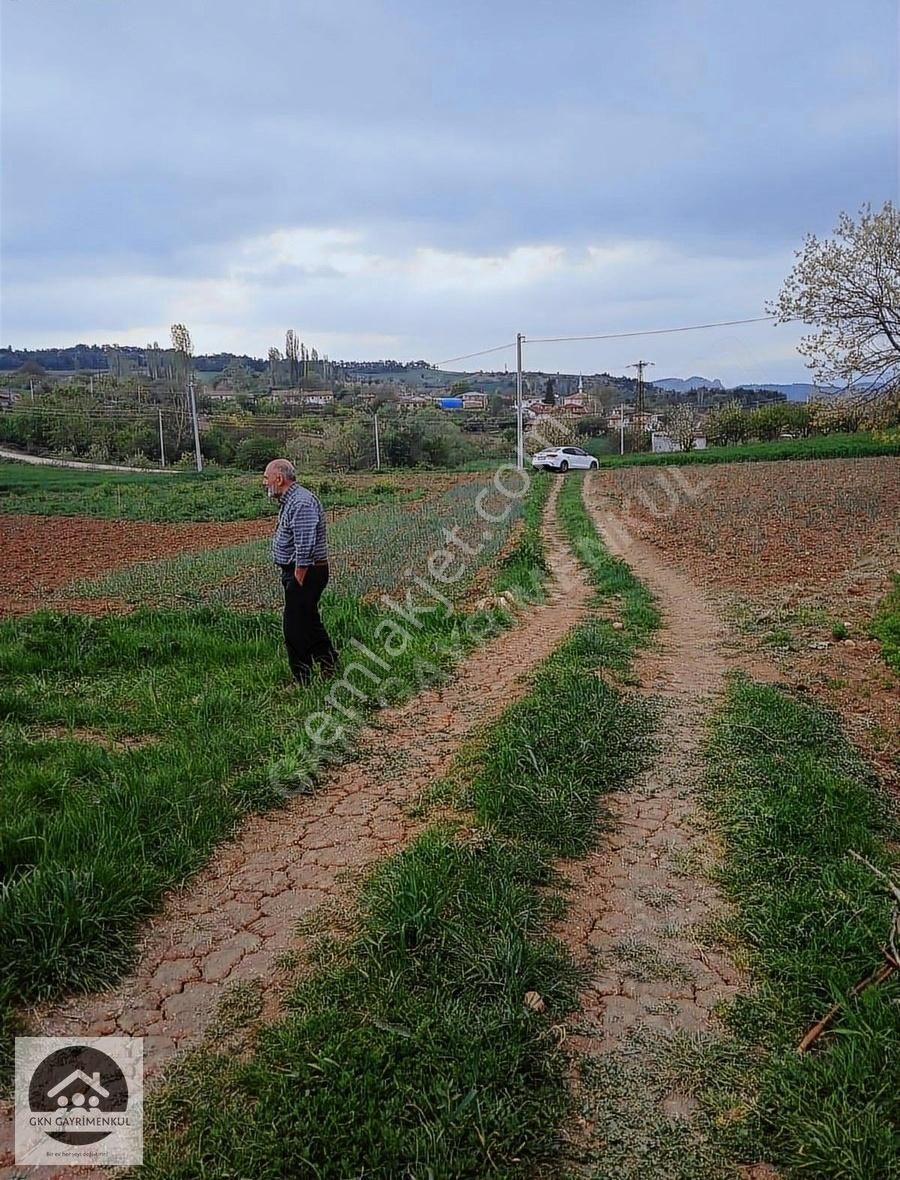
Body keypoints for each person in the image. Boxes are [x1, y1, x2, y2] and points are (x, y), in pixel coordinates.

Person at [263, 458, 337, 683]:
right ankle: (329, 663)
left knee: (293, 627)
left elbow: (305, 544)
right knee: (309, 620)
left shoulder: (301, 503)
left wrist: (298, 578)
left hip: (306, 572)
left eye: (267, 478)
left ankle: (302, 678)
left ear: (279, 478)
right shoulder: (290, 500)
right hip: (302, 572)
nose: (264, 482)